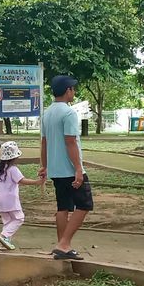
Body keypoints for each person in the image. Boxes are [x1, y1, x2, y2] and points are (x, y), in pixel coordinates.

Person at [40, 74, 92, 260]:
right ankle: (64, 244)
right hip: (70, 169)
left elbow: (44, 143)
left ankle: (62, 246)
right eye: (73, 88)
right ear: (68, 90)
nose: (74, 92)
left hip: (56, 170)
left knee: (63, 207)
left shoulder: (47, 113)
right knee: (85, 204)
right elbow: (70, 142)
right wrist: (78, 169)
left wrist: (45, 166)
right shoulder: (69, 113)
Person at [0, 141, 43, 251]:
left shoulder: (0, 169)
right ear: (14, 157)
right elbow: (21, 180)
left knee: (8, 221)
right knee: (19, 218)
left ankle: (4, 244)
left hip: (0, 199)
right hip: (10, 199)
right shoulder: (12, 169)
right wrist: (37, 182)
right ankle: (4, 236)